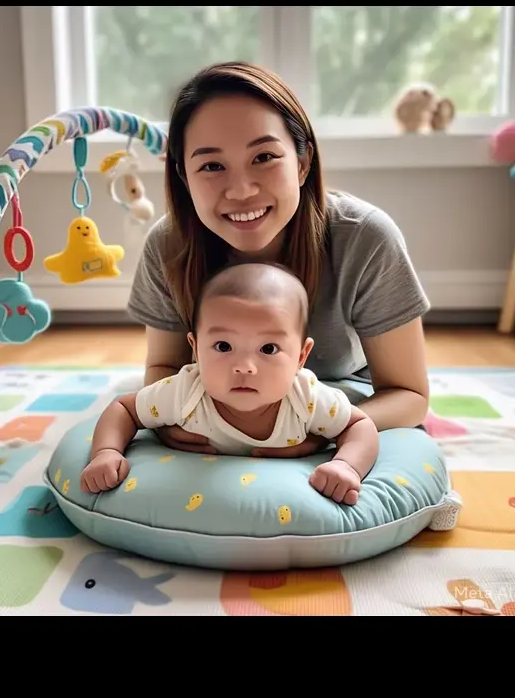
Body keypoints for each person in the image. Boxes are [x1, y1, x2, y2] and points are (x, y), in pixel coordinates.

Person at [126, 61, 431, 459]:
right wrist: (170, 425)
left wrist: (325, 431)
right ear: (184, 176)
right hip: (218, 405)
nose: (241, 190)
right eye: (212, 166)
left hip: (342, 400)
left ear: (303, 162)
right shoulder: (169, 245)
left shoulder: (366, 237)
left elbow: (409, 395)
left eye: (264, 157)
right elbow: (164, 369)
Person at [81, 262, 379, 505]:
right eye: (223, 346)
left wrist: (346, 465)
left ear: (301, 357)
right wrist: (106, 452)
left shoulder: (307, 398)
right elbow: (124, 408)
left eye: (268, 349)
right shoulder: (186, 391)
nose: (244, 367)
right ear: (195, 349)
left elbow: (359, 426)